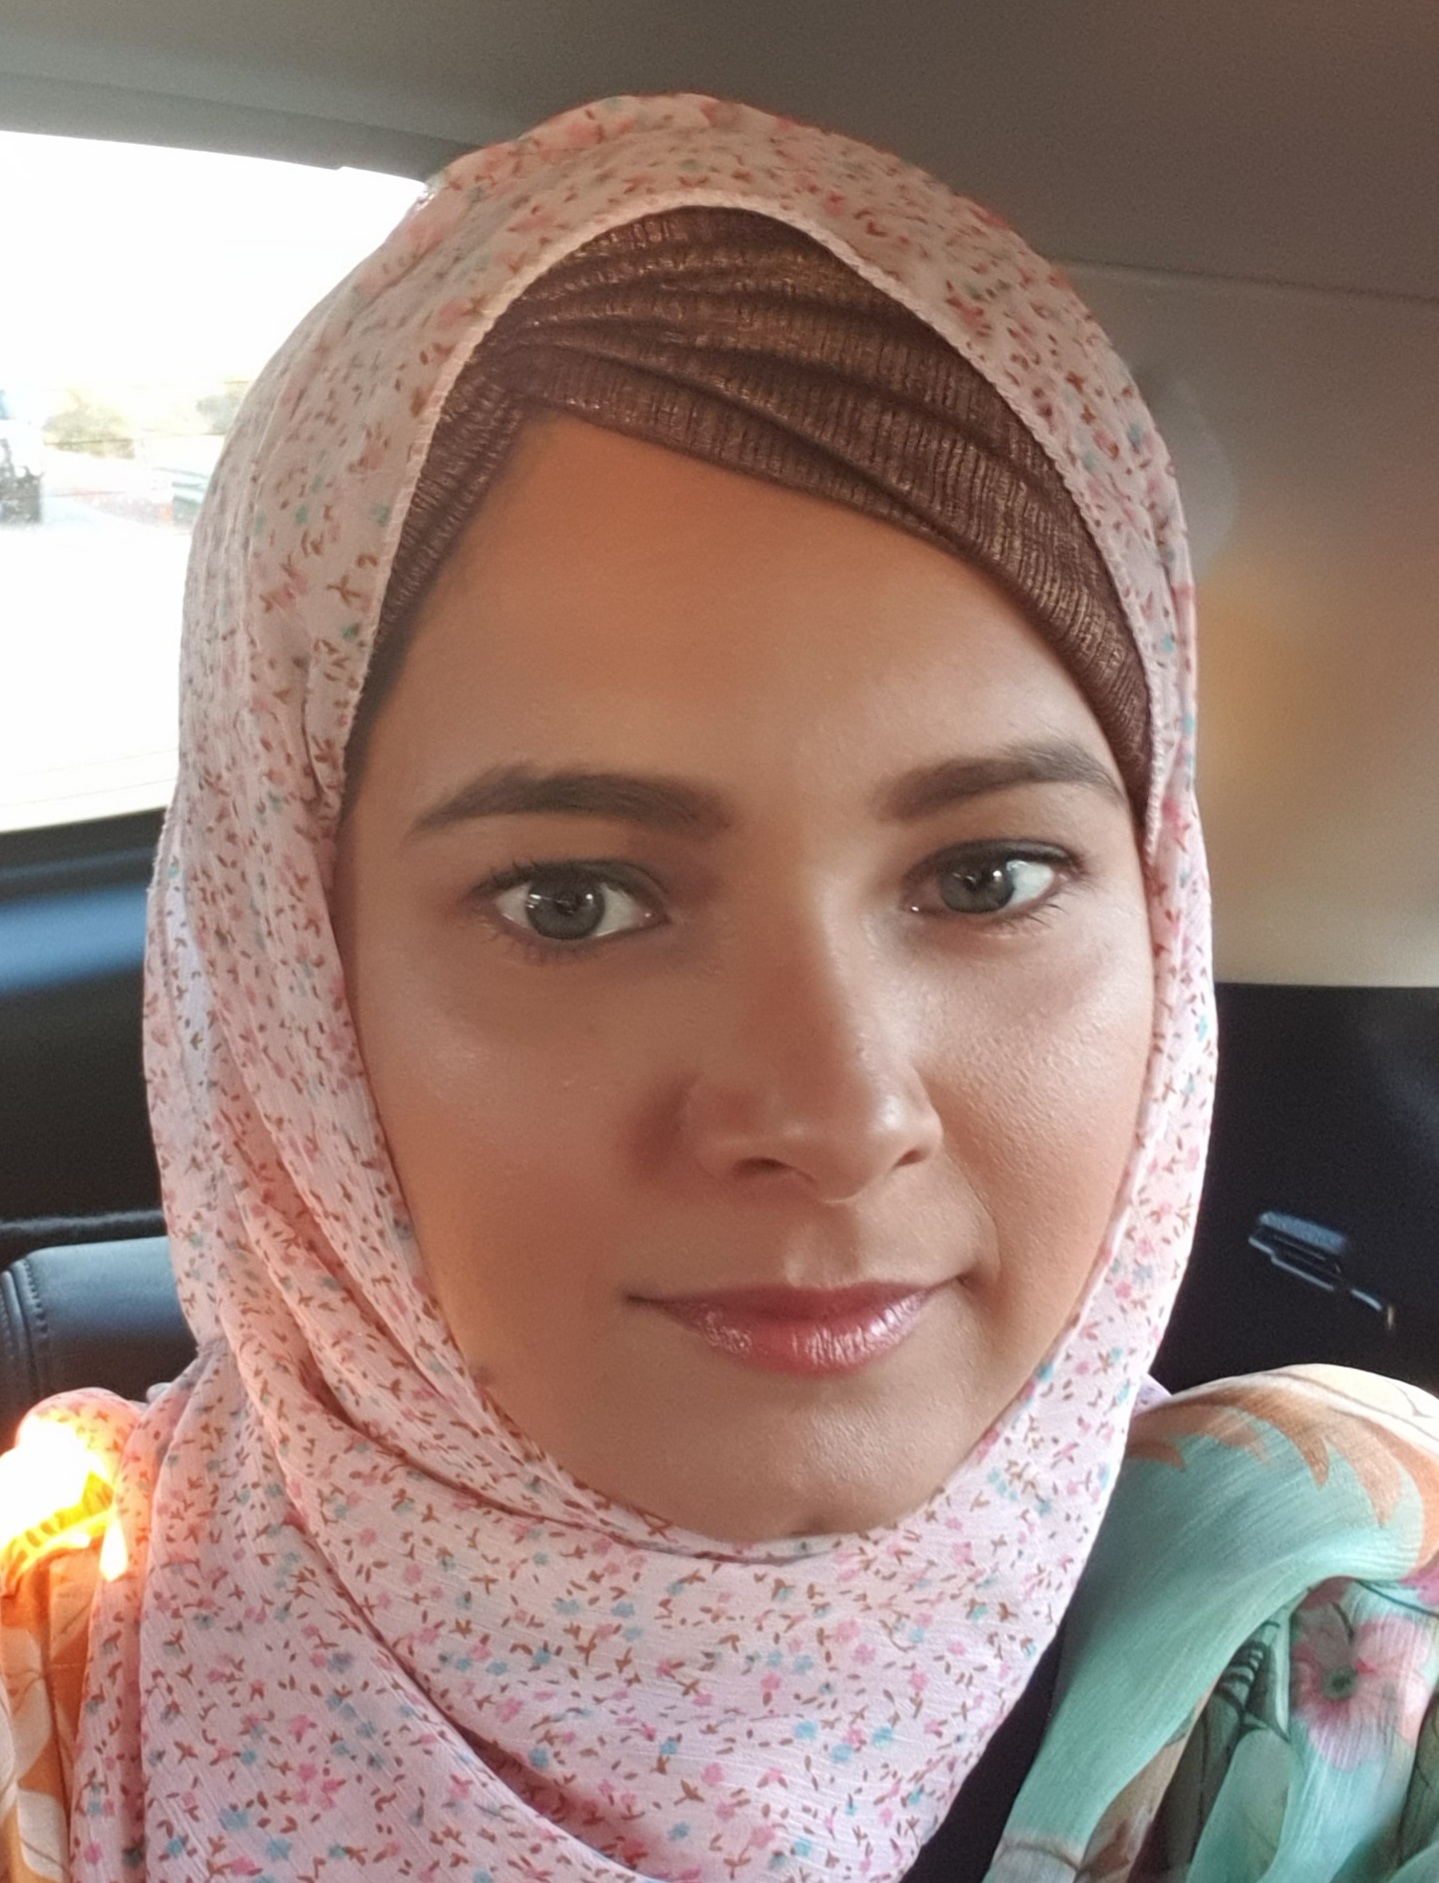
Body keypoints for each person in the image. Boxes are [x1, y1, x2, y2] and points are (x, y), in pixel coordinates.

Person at [3, 91, 1439, 1883]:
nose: (837, 1115)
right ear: (296, 982)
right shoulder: (57, 1660)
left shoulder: (1346, 1633)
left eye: (987, 878)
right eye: (576, 902)